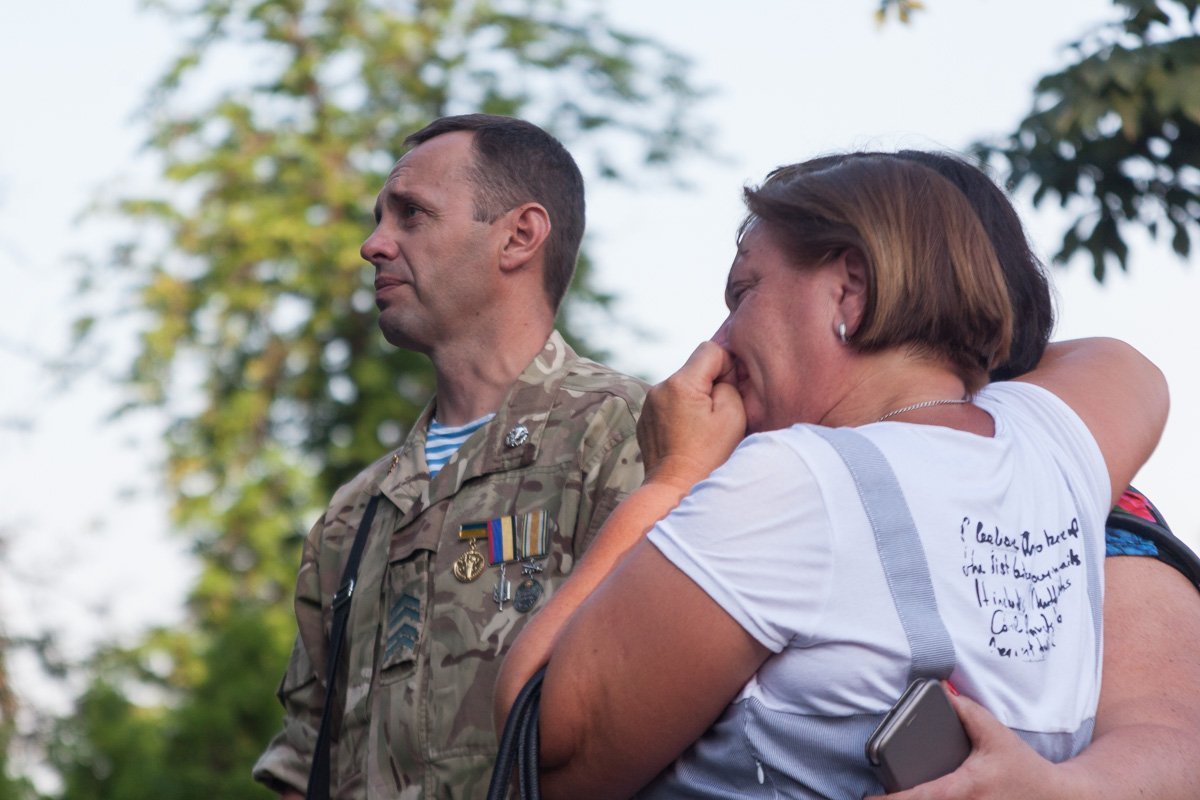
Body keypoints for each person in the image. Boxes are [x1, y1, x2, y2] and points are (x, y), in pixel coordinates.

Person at [495, 153, 1170, 798]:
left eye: (745, 291)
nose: (719, 341)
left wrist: (673, 478)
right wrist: (947, 330)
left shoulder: (792, 482)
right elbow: (1121, 365)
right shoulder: (1053, 445)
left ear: (850, 286)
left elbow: (543, 751)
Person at [252, 114, 647, 798]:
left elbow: (656, 712)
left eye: (412, 215)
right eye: (380, 218)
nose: (374, 245)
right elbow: (304, 761)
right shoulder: (355, 516)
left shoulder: (628, 438)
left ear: (519, 236)